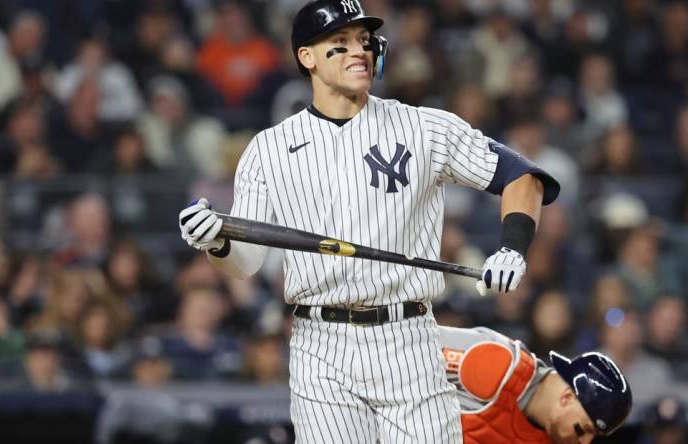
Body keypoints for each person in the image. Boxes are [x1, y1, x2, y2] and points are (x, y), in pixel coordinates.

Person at [178, 0, 559, 441]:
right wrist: (217, 242)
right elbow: (245, 263)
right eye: (339, 43)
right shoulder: (269, 149)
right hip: (320, 345)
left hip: (409, 337)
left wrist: (513, 246)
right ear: (307, 57)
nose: (358, 51)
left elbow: (522, 177)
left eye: (363, 40)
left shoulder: (422, 127)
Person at [439, 325, 631, 444]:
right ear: (567, 397)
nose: (585, 442)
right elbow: (414, 348)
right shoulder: (498, 366)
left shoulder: (549, 438)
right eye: (585, 429)